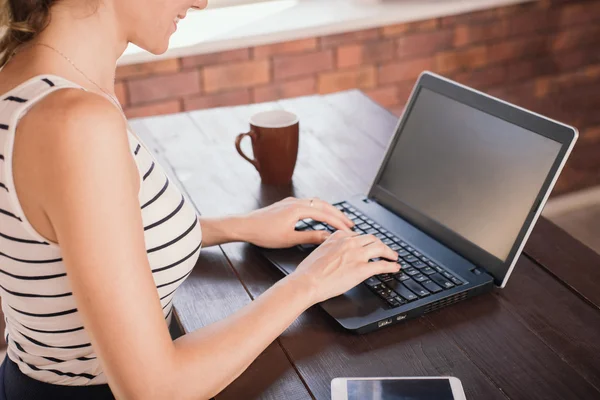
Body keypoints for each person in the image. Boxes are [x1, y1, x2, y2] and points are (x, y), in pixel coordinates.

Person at [0, 0, 400, 398]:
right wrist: (310, 283)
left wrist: (235, 226)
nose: (201, 1)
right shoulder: (75, 122)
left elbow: (69, 238)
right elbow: (155, 391)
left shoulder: (32, 83)